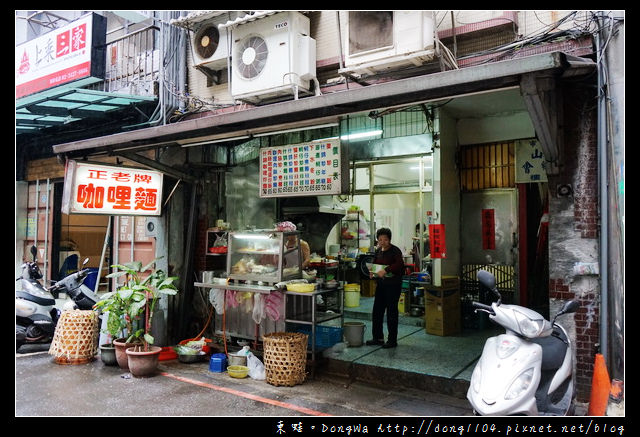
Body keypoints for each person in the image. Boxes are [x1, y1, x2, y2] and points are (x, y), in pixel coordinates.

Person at [366, 227, 405, 349]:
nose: (383, 242)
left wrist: (386, 270)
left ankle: (392, 340)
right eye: (380, 239)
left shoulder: (395, 251)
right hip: (381, 285)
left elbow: (399, 264)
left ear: (389, 239)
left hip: (393, 286)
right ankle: (378, 338)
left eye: (385, 239)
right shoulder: (378, 251)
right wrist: (372, 272)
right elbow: (376, 265)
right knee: (377, 311)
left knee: (391, 313)